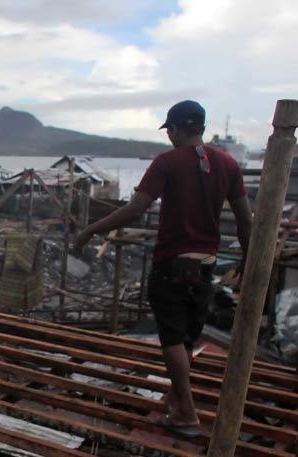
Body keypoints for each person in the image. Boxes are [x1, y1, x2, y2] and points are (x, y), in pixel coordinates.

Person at [74, 100, 252, 437]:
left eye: (168, 131)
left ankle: (186, 411)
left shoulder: (167, 162)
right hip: (205, 266)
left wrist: (89, 230)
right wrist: (248, 256)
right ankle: (175, 397)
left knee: (171, 336)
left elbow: (135, 209)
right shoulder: (228, 164)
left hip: (172, 263)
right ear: (199, 127)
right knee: (186, 336)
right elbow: (245, 219)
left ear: (173, 130)